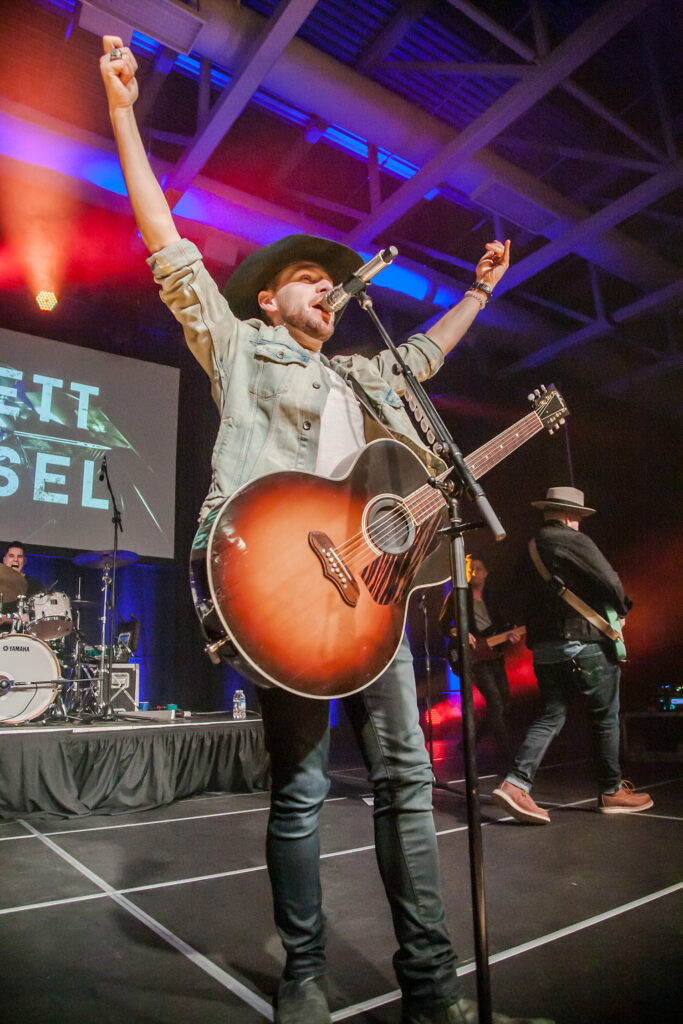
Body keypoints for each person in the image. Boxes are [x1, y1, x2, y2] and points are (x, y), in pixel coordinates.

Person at [99, 36, 554, 1024]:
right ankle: (303, 974)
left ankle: (434, 992)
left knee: (405, 779)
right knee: (301, 788)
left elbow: (425, 355)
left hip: (372, 603)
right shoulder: (241, 345)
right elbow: (169, 253)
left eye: (329, 280)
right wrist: (126, 115)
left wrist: (478, 291)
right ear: (269, 298)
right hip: (283, 586)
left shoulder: (362, 373)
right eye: (307, 276)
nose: (324, 287)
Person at [492, 487, 653, 825]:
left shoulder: (530, 549)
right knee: (605, 717)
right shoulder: (573, 540)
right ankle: (611, 791)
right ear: (570, 516)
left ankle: (515, 784)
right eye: (578, 518)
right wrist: (623, 609)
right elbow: (609, 579)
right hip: (583, 643)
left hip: (544, 649)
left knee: (551, 714)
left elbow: (510, 597)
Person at [439, 558, 522, 762]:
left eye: (479, 569)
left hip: (494, 654)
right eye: (471, 569)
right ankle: (508, 756)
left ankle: (471, 741)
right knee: (495, 702)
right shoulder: (457, 596)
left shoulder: (494, 596)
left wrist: (511, 635)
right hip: (474, 657)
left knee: (503, 703)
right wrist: (460, 632)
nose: (475, 572)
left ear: (486, 573)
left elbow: (503, 625)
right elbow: (443, 624)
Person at [0, 541, 43, 627]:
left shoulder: (34, 585)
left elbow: (38, 615)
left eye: (19, 556)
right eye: (11, 556)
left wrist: (8, 620)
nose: (15, 560)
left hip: (24, 633)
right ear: (4, 560)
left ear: (24, 560)